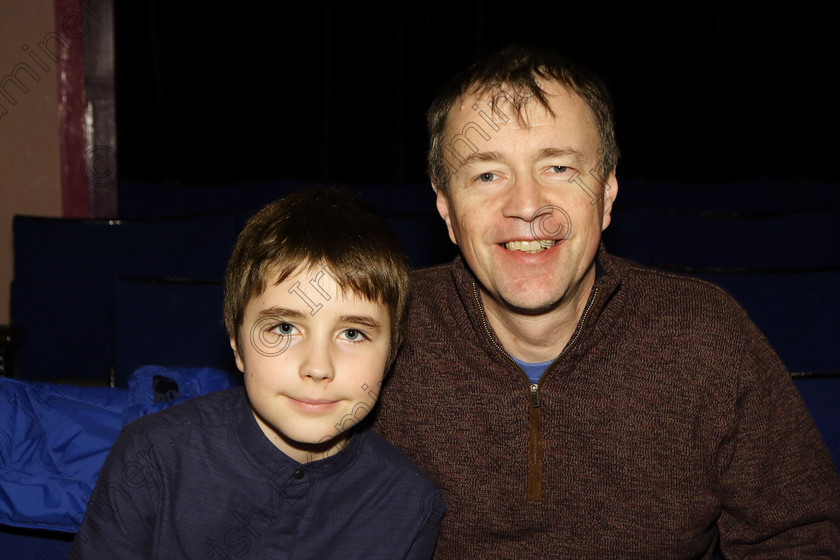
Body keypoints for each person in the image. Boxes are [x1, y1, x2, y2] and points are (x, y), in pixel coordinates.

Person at [373, 44, 840, 558]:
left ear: (608, 190)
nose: (528, 208)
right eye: (487, 174)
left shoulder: (704, 335)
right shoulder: (378, 334)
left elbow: (801, 538)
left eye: (558, 168)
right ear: (445, 206)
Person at [69, 187, 444, 559]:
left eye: (352, 333)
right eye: (283, 328)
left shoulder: (411, 504)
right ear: (237, 344)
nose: (317, 367)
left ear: (392, 354)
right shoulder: (152, 458)